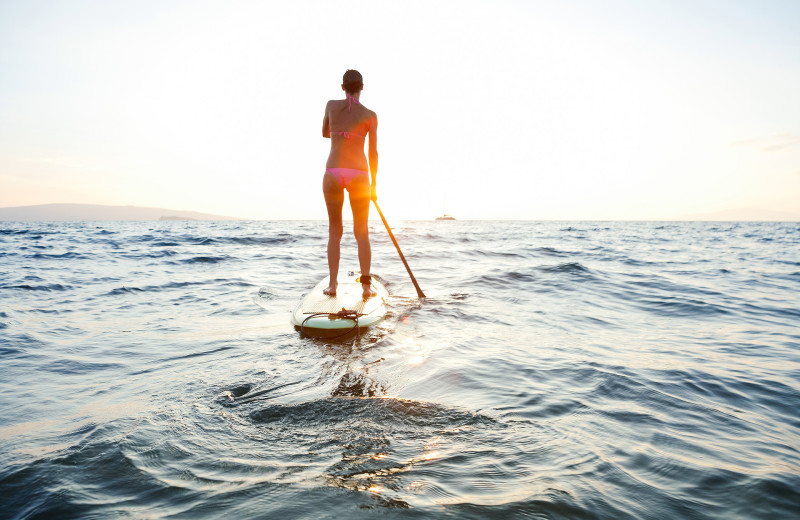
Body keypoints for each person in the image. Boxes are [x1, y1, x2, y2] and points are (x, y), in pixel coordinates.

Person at [321, 69, 378, 299]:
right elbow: (373, 153)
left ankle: (333, 285)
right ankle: (365, 286)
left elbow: (325, 133)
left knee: (335, 231)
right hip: (359, 174)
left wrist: (339, 130)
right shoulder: (370, 115)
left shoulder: (331, 106)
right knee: (361, 231)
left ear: (342, 87)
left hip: (333, 171)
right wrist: (373, 186)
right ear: (362, 87)